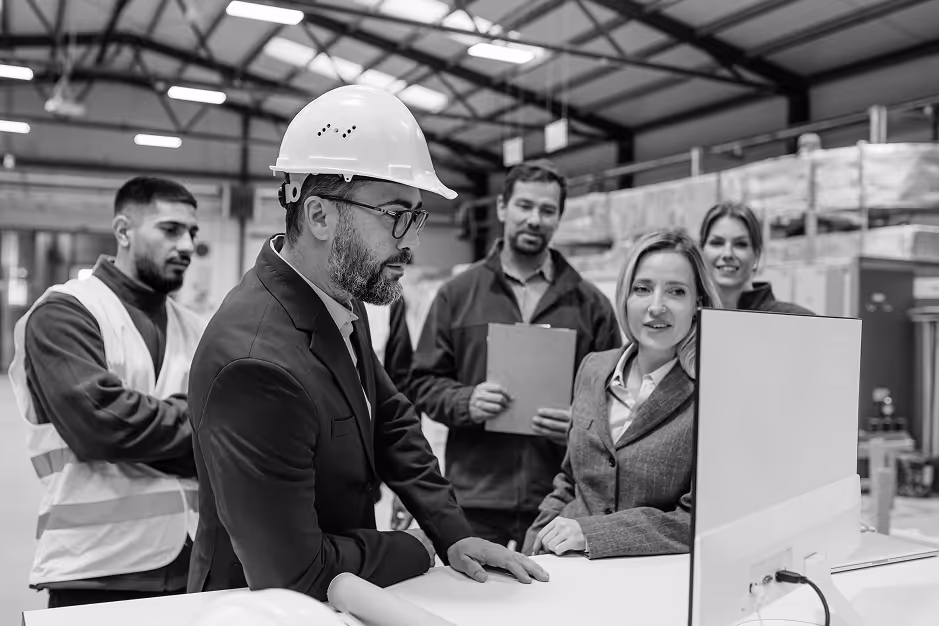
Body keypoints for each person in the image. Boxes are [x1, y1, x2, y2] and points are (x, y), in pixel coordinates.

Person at [186, 85, 548, 601]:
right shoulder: (255, 363)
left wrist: (453, 531)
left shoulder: (340, 292)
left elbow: (389, 415)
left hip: (344, 591)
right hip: (261, 607)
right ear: (319, 216)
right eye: (397, 216)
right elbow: (294, 573)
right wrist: (417, 548)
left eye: (417, 219)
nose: (412, 243)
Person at [8, 177, 203, 607]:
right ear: (123, 231)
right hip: (96, 569)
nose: (187, 245)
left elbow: (236, 427)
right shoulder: (65, 313)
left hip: (192, 565)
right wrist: (205, 427)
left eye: (192, 233)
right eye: (170, 230)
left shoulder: (197, 329)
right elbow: (102, 426)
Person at [408, 160, 622, 550]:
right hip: (475, 494)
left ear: (558, 217)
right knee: (474, 601)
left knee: (548, 601)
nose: (535, 219)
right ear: (503, 208)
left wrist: (582, 424)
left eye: (547, 210)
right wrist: (466, 400)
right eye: (525, 206)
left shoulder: (591, 305)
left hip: (559, 496)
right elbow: (421, 381)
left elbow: (618, 397)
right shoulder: (457, 295)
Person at [522, 230, 722, 558]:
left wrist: (592, 534)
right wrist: (536, 538)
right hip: (564, 571)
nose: (656, 307)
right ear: (625, 297)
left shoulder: (712, 391)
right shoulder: (593, 368)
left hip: (645, 585)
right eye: (642, 289)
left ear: (697, 303)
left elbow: (696, 521)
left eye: (676, 292)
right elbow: (569, 480)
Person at [699, 202, 813, 315]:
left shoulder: (797, 322)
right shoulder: (687, 323)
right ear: (700, 252)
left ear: (757, 256)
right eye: (717, 243)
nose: (728, 254)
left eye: (740, 244)